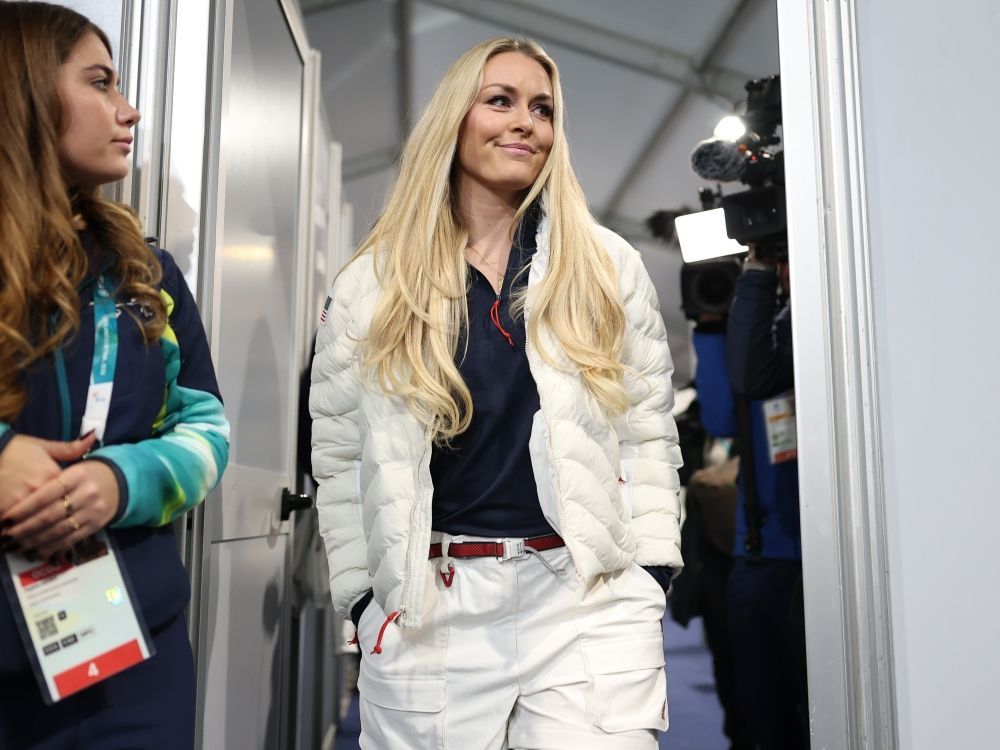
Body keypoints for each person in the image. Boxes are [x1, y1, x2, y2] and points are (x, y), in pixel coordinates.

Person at [310, 36, 684, 749]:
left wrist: (651, 572)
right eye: (500, 101)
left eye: (543, 109)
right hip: (432, 608)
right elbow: (339, 457)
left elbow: (647, 431)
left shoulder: (606, 265)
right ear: (454, 118)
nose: (525, 123)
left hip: (584, 599)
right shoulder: (373, 283)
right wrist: (363, 599)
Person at [0, 4, 229, 748]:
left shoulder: (146, 271)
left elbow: (207, 428)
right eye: (100, 83)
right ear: (25, 93)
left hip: (129, 651)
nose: (128, 111)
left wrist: (119, 481)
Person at [691, 246, 809, 749]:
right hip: (762, 555)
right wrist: (713, 325)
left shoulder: (821, 326)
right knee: (763, 716)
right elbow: (722, 418)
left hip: (818, 556)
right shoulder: (753, 331)